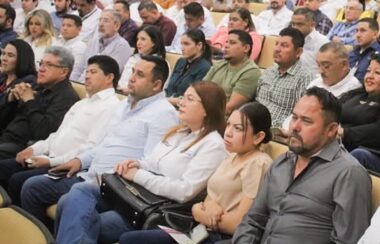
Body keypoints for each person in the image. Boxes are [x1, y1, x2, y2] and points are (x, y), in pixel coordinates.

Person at [54, 81, 228, 244]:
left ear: (207, 109)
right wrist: (136, 164)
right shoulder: (178, 132)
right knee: (79, 192)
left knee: (74, 214)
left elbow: (184, 191)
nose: (181, 102)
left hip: (156, 208)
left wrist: (138, 175)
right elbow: (151, 162)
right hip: (136, 193)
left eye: (190, 99)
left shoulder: (213, 145)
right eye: (183, 97)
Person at [20, 55, 178, 225]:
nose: (131, 78)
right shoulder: (124, 105)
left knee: (71, 199)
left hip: (116, 187)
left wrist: (111, 177)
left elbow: (151, 164)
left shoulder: (163, 113)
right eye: (133, 71)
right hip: (89, 175)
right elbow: (104, 145)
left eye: (140, 75)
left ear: (156, 85)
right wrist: (79, 160)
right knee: (32, 187)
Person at [119, 102, 273, 244]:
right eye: (229, 125)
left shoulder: (258, 163)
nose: (228, 133)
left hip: (220, 237)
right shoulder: (232, 155)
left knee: (131, 240)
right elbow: (209, 199)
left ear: (258, 137)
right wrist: (205, 208)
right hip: (199, 230)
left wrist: (199, 212)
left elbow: (238, 225)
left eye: (238, 128)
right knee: (130, 238)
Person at [233, 87, 371, 243]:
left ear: (331, 130)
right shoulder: (282, 162)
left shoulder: (348, 173)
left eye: (306, 121)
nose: (294, 127)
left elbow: (347, 241)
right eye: (294, 117)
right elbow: (252, 221)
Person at [0, 55, 121, 205]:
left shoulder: (111, 107)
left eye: (93, 72)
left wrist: (50, 162)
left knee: (21, 181)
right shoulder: (82, 103)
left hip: (68, 166)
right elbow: (56, 136)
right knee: (3, 168)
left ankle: (20, 219)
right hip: (49, 156)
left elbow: (91, 148)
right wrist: (34, 149)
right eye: (86, 71)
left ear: (109, 77)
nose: (87, 76)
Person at [0, 46, 79, 158]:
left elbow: (43, 132)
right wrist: (11, 99)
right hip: (6, 138)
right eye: (41, 64)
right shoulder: (37, 87)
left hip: (24, 148)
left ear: (64, 72)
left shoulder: (66, 97)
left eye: (49, 65)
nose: (41, 69)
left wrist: (29, 101)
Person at [256, 27, 313, 127]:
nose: (277, 49)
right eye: (276, 44)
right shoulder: (269, 70)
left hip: (276, 130)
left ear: (298, 52)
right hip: (252, 122)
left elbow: (302, 115)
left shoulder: (304, 78)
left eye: (284, 46)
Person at [204, 30, 261, 114]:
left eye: (232, 43)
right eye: (226, 42)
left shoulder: (251, 72)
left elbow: (230, 108)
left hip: (221, 117)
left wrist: (203, 113)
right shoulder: (219, 65)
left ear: (246, 48)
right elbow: (200, 90)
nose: (226, 46)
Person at [71, 10, 133, 82]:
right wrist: (72, 83)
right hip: (80, 83)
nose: (101, 24)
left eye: (106, 21)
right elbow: (79, 68)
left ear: (117, 26)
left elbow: (111, 74)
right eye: (100, 20)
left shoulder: (122, 46)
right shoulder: (93, 42)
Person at [165, 29, 212, 103]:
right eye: (182, 44)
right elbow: (168, 88)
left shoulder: (205, 68)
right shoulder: (181, 61)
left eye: (186, 44)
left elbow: (194, 98)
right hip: (167, 102)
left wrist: (168, 101)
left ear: (199, 45)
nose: (182, 48)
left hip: (183, 106)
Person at [118, 25, 165, 94]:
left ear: (154, 43)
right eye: (137, 39)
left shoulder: (160, 64)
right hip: (120, 92)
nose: (138, 43)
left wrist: (130, 91)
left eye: (143, 39)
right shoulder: (134, 58)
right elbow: (122, 81)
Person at [0, 40, 37, 128]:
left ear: (22, 60)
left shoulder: (28, 82)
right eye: (3, 54)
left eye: (10, 55)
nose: (4, 58)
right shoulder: (3, 78)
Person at [290, 8, 330, 76]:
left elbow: (327, 72)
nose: (295, 28)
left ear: (312, 24)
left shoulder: (323, 42)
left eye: (300, 24)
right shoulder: (291, 39)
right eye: (293, 24)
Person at [349, 18, 380, 83]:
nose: (358, 35)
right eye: (356, 31)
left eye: (363, 31)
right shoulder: (351, 53)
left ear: (375, 34)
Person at [52, 15, 87, 79]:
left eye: (69, 26)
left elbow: (75, 71)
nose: (65, 28)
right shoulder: (56, 43)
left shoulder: (80, 46)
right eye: (63, 25)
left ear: (79, 29)